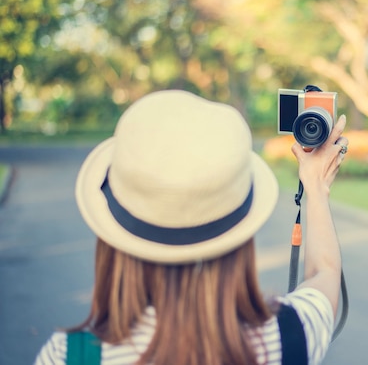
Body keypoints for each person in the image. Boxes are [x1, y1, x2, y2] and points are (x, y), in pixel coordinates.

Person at [34, 89, 348, 365]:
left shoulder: (67, 357)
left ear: (114, 235)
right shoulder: (289, 335)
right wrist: (316, 187)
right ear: (237, 232)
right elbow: (325, 273)